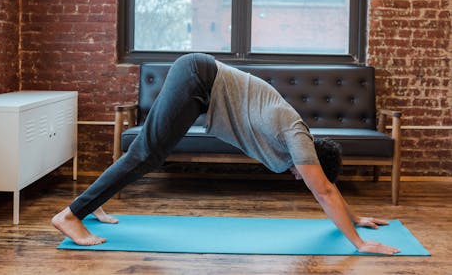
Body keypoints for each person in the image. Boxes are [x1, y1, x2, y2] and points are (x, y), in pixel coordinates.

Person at [52, 53, 400, 255]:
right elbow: (323, 190)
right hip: (197, 77)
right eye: (303, 173)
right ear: (311, 160)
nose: (298, 177)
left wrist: (354, 217)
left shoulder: (299, 138)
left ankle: (95, 200)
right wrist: (360, 243)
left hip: (200, 82)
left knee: (150, 153)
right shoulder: (297, 137)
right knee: (147, 154)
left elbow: (325, 187)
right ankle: (69, 215)